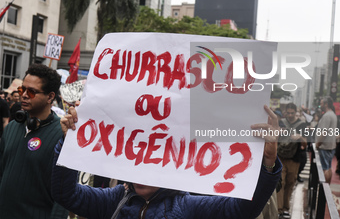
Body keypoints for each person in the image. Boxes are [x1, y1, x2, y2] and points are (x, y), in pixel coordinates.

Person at [51, 105, 282, 219]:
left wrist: (268, 164)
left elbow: (242, 210)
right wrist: (68, 144)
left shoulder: (188, 205)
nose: (140, 174)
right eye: (135, 164)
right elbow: (66, 195)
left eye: (150, 166)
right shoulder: (115, 199)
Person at [0, 64, 68, 219]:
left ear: (50, 97)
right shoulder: (11, 127)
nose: (24, 95)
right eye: (21, 89)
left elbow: (64, 194)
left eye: (31, 92)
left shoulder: (62, 134)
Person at [277, 103, 307, 219]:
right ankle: (279, 209)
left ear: (296, 112)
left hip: (295, 158)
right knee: (280, 182)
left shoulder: (302, 124)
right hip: (281, 157)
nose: (290, 115)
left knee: (290, 182)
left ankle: (285, 208)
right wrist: (279, 132)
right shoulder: (282, 122)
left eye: (292, 113)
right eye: (288, 113)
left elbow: (305, 144)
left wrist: (299, 137)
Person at [316, 97, 337, 184]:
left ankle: (324, 187)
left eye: (321, 103)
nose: (320, 105)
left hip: (325, 146)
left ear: (326, 104)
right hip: (330, 145)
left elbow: (324, 133)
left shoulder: (327, 116)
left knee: (325, 168)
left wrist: (318, 144)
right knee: (328, 167)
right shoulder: (332, 114)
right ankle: (326, 186)